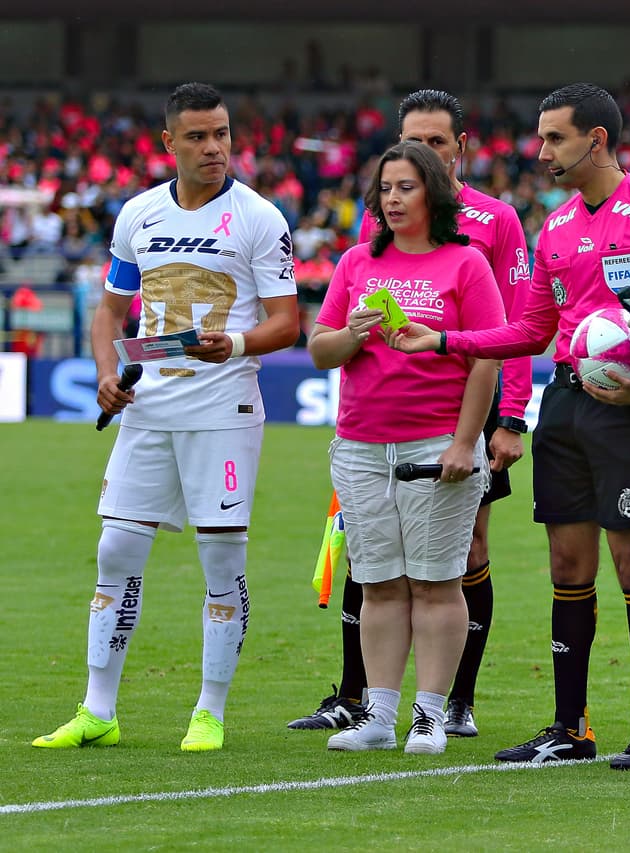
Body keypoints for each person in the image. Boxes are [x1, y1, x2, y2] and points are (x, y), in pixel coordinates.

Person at [390, 83, 630, 771]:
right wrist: (443, 341)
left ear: (597, 140)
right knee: (567, 566)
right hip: (564, 403)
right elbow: (531, 327)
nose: (542, 151)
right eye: (540, 137)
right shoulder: (555, 228)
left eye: (555, 137)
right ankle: (570, 725)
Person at [32, 82, 299, 753]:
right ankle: (98, 708)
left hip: (223, 409)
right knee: (115, 549)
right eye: (199, 136)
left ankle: (208, 711)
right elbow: (108, 312)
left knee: (219, 556)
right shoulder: (137, 215)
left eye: (223, 134)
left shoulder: (262, 218)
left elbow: (287, 324)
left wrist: (233, 344)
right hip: (148, 408)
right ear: (168, 142)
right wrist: (103, 374)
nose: (215, 148)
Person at [288, 89, 532, 739]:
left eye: (408, 184)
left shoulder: (472, 256)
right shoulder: (357, 262)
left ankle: (438, 713)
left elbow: (492, 352)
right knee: (377, 583)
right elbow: (320, 348)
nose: (394, 196)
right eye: (387, 185)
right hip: (363, 442)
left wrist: (479, 434)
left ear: (444, 175)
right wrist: (355, 334)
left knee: (438, 579)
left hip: (438, 440)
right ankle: (376, 714)